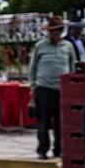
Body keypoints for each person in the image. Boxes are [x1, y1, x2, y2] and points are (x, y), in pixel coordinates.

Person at [27, 16, 76, 159]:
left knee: (60, 121)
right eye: (51, 31)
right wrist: (33, 87)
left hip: (62, 88)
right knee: (43, 120)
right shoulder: (40, 46)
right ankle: (42, 149)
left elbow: (72, 66)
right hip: (44, 87)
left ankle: (59, 148)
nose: (54, 33)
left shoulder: (68, 46)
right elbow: (33, 68)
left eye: (57, 30)